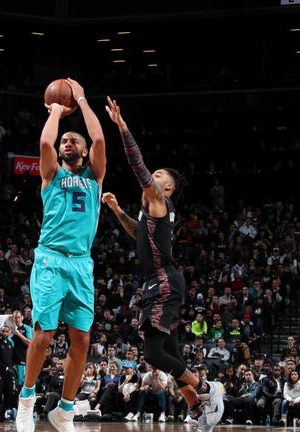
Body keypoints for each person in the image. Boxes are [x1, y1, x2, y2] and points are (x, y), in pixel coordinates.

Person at [101, 96, 215, 420]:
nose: (154, 175)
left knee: (153, 353)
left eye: (160, 175)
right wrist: (116, 210)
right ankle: (197, 407)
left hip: (163, 281)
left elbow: (138, 165)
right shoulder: (152, 213)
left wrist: (122, 127)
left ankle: (202, 386)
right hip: (164, 281)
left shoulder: (159, 200)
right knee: (169, 352)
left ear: (167, 188)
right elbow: (135, 232)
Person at [16, 78, 106, 432]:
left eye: (74, 140)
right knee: (43, 335)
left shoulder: (95, 177)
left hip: (81, 264)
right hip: (51, 259)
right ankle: (26, 399)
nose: (67, 142)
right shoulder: (51, 174)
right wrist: (55, 111)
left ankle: (65, 412)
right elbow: (44, 141)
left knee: (82, 340)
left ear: (83, 152)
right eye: (65, 140)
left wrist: (82, 99)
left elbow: (99, 139)